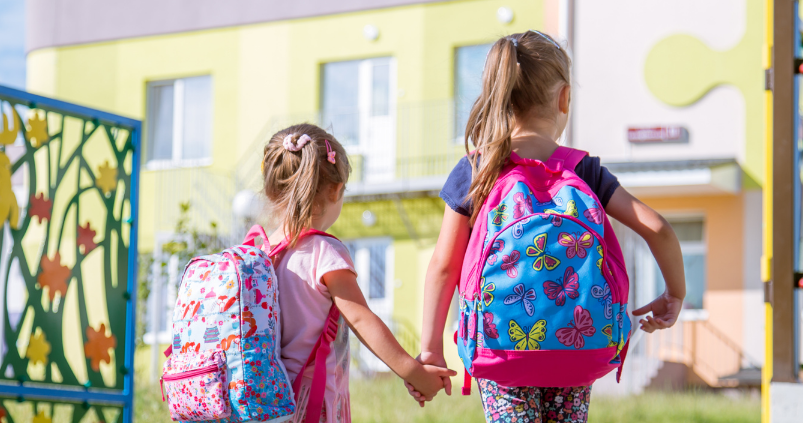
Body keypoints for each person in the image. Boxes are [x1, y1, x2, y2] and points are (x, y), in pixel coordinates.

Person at [409, 30, 688, 422]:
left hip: (500, 347)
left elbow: (443, 265)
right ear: (564, 99)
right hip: (577, 343)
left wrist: (431, 348)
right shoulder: (585, 171)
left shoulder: (478, 169)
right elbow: (656, 227)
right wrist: (675, 292)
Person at [262, 123, 455, 423]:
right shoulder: (325, 252)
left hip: (268, 401)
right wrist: (416, 374)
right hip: (314, 403)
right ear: (337, 190)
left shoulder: (261, 253)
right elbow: (363, 320)